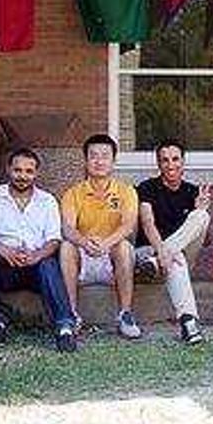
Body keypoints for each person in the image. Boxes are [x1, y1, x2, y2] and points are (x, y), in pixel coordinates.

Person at [0, 147, 77, 352]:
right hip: (4, 269)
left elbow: (54, 240)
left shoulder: (47, 201)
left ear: (36, 173)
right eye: (18, 170)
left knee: (49, 263)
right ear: (9, 170)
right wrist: (0, 248)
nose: (23, 176)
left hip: (35, 269)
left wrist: (37, 255)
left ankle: (64, 327)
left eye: (28, 171)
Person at [59, 134, 142, 339]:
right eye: (93, 156)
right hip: (83, 256)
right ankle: (71, 315)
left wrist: (105, 243)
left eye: (105, 156)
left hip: (112, 257)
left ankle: (125, 314)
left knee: (122, 246)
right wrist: (85, 242)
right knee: (66, 247)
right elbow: (67, 228)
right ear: (85, 161)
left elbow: (128, 225)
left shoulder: (126, 191)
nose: (99, 161)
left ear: (113, 161)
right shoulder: (72, 193)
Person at [135, 139, 212, 345]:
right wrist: (162, 251)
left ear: (183, 161)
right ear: (158, 163)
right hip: (150, 250)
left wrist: (199, 208)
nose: (170, 165)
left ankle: (158, 260)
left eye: (175, 159)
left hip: (171, 257)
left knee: (202, 217)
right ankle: (189, 324)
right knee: (175, 258)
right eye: (164, 160)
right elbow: (147, 222)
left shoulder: (192, 191)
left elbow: (207, 240)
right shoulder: (147, 187)